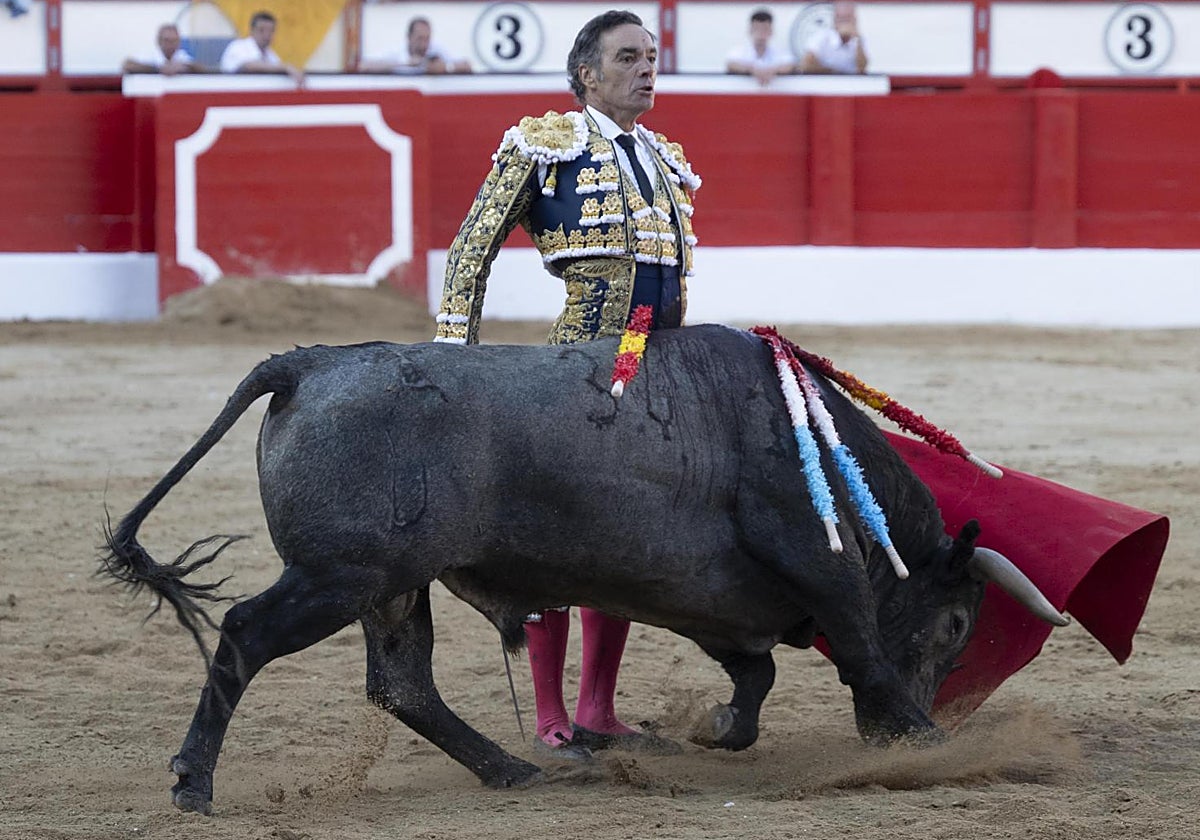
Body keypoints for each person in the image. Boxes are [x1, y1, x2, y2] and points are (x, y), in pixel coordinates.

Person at [433, 9, 700, 754]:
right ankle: (552, 714)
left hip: (653, 363)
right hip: (578, 366)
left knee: (626, 540)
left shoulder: (663, 155)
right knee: (559, 537)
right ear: (587, 73)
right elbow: (469, 250)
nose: (647, 68)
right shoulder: (544, 145)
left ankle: (599, 708)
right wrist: (453, 359)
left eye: (651, 56)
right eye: (628, 57)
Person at [360, 16, 472, 75]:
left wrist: (446, 68)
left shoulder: (436, 50)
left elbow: (467, 65)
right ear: (409, 37)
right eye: (420, 38)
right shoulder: (397, 52)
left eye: (427, 38)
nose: (424, 44)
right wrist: (405, 64)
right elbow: (364, 66)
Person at [219, 10, 304, 84]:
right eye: (261, 30)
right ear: (251, 31)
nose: (267, 35)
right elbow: (247, 67)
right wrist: (285, 67)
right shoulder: (238, 46)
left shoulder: (271, 54)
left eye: (271, 31)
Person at [725, 9, 796, 87]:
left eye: (765, 29)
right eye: (757, 29)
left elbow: (790, 65)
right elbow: (731, 64)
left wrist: (772, 71)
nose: (761, 33)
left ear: (771, 31)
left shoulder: (780, 52)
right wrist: (752, 70)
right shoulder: (739, 51)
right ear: (750, 30)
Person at [800, 0, 868, 75]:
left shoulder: (859, 40)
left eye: (848, 19)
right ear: (834, 20)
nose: (845, 23)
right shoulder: (821, 37)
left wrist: (858, 41)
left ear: (855, 20)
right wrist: (834, 72)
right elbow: (806, 65)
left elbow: (862, 69)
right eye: (841, 19)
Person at [122, 23, 200, 76]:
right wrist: (159, 69)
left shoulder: (181, 56)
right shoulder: (150, 55)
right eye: (167, 40)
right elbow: (127, 65)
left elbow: (201, 68)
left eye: (174, 41)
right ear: (159, 41)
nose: (171, 44)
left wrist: (184, 67)